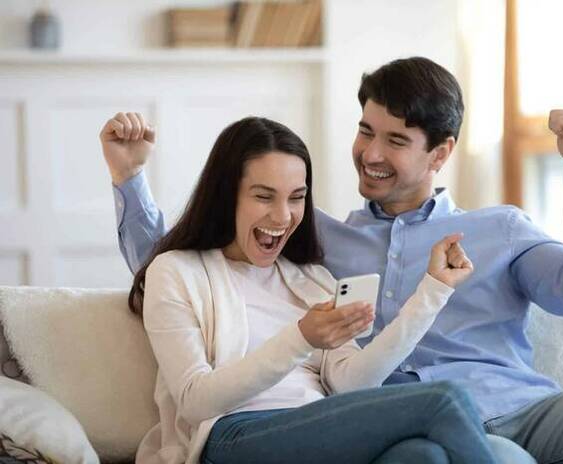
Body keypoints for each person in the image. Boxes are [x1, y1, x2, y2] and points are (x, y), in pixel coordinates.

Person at [102, 57, 563, 463]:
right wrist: (130, 180)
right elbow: (182, 262)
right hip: (405, 425)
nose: (370, 154)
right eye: (366, 131)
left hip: (518, 407)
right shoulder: (315, 241)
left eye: (395, 140)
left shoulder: (501, 228)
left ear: (440, 153)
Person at [119, 115, 499, 464]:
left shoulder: (312, 279)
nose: (283, 216)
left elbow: (351, 384)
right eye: (263, 196)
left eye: (296, 197)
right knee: (445, 399)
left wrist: (434, 291)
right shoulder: (176, 271)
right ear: (225, 195)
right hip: (233, 435)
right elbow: (193, 401)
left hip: (314, 428)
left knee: (422, 456)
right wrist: (302, 337)